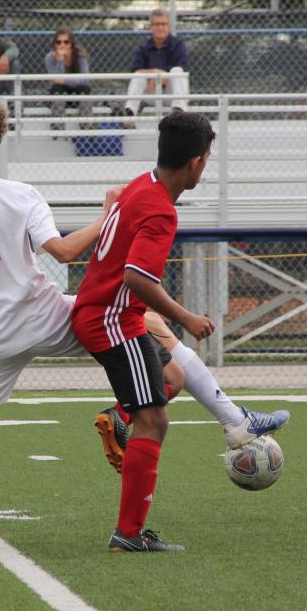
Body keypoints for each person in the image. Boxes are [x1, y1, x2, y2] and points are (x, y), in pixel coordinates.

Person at [0, 98, 288, 552]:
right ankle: (225, 420)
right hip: (47, 319)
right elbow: (63, 252)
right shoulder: (17, 194)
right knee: (142, 320)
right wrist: (106, 218)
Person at [70, 111, 217, 553]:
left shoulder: (143, 184)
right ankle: (128, 534)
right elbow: (136, 278)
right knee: (154, 420)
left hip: (114, 314)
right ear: (196, 162)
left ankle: (119, 415)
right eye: (206, 158)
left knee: (172, 380)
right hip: (112, 320)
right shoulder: (160, 211)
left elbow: (116, 207)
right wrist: (186, 319)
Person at [120, 9, 190, 123]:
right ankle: (130, 115)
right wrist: (156, 73)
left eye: (163, 24)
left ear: (169, 26)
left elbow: (183, 68)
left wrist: (161, 77)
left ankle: (179, 112)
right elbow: (135, 70)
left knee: (177, 71)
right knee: (138, 76)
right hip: (150, 92)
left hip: (171, 94)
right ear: (150, 27)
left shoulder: (178, 45)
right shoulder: (143, 47)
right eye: (156, 24)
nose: (160, 28)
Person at [44, 28, 92, 131]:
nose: (62, 45)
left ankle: (87, 128)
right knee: (58, 88)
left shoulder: (80, 56)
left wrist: (65, 81)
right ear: (54, 44)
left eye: (66, 42)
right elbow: (55, 80)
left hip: (76, 94)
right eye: (58, 42)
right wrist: (60, 60)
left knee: (84, 88)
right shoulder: (50, 57)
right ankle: (58, 128)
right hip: (58, 94)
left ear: (71, 44)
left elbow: (85, 80)